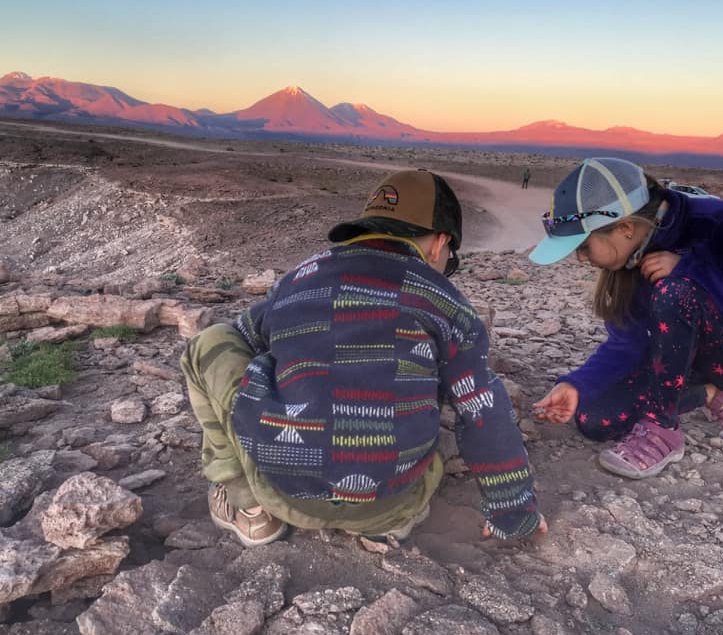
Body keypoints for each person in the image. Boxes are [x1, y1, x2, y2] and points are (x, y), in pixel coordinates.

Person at [181, 169, 547, 546]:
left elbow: (241, 337)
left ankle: (250, 508)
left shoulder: (300, 278)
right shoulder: (444, 300)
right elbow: (483, 409)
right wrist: (513, 510)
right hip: (393, 503)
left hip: (281, 492)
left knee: (209, 341)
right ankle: (382, 524)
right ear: (439, 243)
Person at [528, 157, 723, 479]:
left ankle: (662, 428)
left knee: (676, 292)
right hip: (679, 359)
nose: (581, 258)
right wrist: (576, 384)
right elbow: (628, 344)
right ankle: (713, 394)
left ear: (625, 228)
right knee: (595, 417)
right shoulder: (631, 254)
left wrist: (690, 271)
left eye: (584, 246)